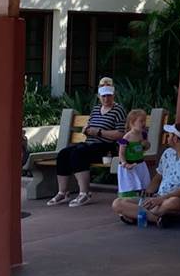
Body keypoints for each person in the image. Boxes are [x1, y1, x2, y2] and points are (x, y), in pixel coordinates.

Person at [46, 77, 127, 207]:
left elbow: (121, 134)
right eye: (103, 96)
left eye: (109, 95)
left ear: (113, 95)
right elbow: (90, 125)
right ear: (99, 96)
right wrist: (87, 129)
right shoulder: (96, 109)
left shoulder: (118, 110)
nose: (106, 99)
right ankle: (62, 192)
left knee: (79, 153)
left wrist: (99, 132)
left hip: (106, 147)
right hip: (90, 143)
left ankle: (84, 193)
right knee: (63, 154)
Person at [111, 120, 180, 227]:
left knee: (173, 203)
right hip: (158, 198)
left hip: (177, 200)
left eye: (169, 135)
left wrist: (161, 199)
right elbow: (158, 176)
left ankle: (138, 214)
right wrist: (147, 193)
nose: (167, 138)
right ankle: (156, 218)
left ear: (175, 139)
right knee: (117, 203)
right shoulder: (168, 153)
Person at [116, 108, 151, 200]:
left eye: (145, 121)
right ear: (132, 123)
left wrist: (145, 144)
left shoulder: (143, 134)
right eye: (141, 121)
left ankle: (141, 200)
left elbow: (146, 147)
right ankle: (126, 202)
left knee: (143, 183)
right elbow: (121, 153)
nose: (144, 123)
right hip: (128, 166)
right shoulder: (126, 137)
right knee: (130, 185)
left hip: (140, 164)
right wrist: (125, 163)